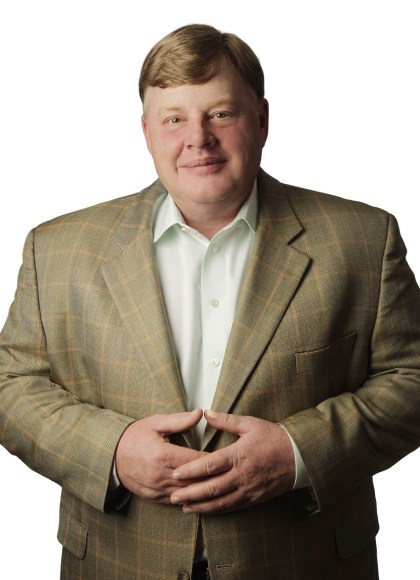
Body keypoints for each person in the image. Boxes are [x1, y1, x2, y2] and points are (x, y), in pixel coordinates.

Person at [0, 22, 419, 580]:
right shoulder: (56, 249)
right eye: (174, 119)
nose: (198, 138)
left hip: (304, 561)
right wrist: (112, 451)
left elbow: (411, 380)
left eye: (220, 113)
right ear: (146, 131)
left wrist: (298, 452)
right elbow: (11, 385)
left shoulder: (363, 240)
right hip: (118, 560)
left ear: (262, 120)